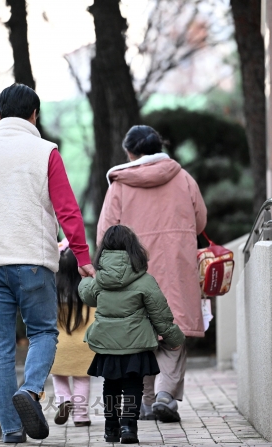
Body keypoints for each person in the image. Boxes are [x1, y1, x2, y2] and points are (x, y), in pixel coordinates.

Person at [0, 83, 96, 444]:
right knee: (43, 332)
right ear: (34, 115)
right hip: (33, 262)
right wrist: (84, 258)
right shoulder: (45, 152)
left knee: (0, 345)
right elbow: (67, 209)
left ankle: (12, 429)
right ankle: (30, 392)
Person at [96, 125, 207, 423]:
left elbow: (105, 236)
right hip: (176, 268)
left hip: (135, 273)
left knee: (142, 336)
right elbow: (200, 223)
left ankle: (146, 402)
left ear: (130, 153)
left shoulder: (119, 184)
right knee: (173, 332)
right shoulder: (183, 179)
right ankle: (164, 395)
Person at [79, 225, 185, 444]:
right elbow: (161, 315)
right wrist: (174, 339)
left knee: (110, 386)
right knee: (133, 386)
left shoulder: (99, 281)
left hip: (107, 344)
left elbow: (87, 296)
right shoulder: (145, 280)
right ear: (134, 249)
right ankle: (128, 428)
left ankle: (110, 429)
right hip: (136, 345)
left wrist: (84, 279)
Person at [50, 239, 93, 427]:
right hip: (83, 345)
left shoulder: (52, 293)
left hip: (59, 345)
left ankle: (64, 400)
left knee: (58, 375)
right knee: (82, 378)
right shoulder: (88, 291)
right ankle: (81, 416)